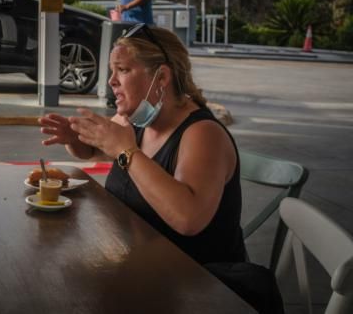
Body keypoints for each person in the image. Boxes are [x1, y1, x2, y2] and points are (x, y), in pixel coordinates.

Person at [38, 24, 246, 265]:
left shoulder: (203, 134)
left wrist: (127, 152)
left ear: (162, 77)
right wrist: (75, 139)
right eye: (112, 71)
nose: (112, 81)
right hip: (138, 263)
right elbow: (92, 151)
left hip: (200, 284)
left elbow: (188, 219)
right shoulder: (138, 117)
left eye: (123, 70)